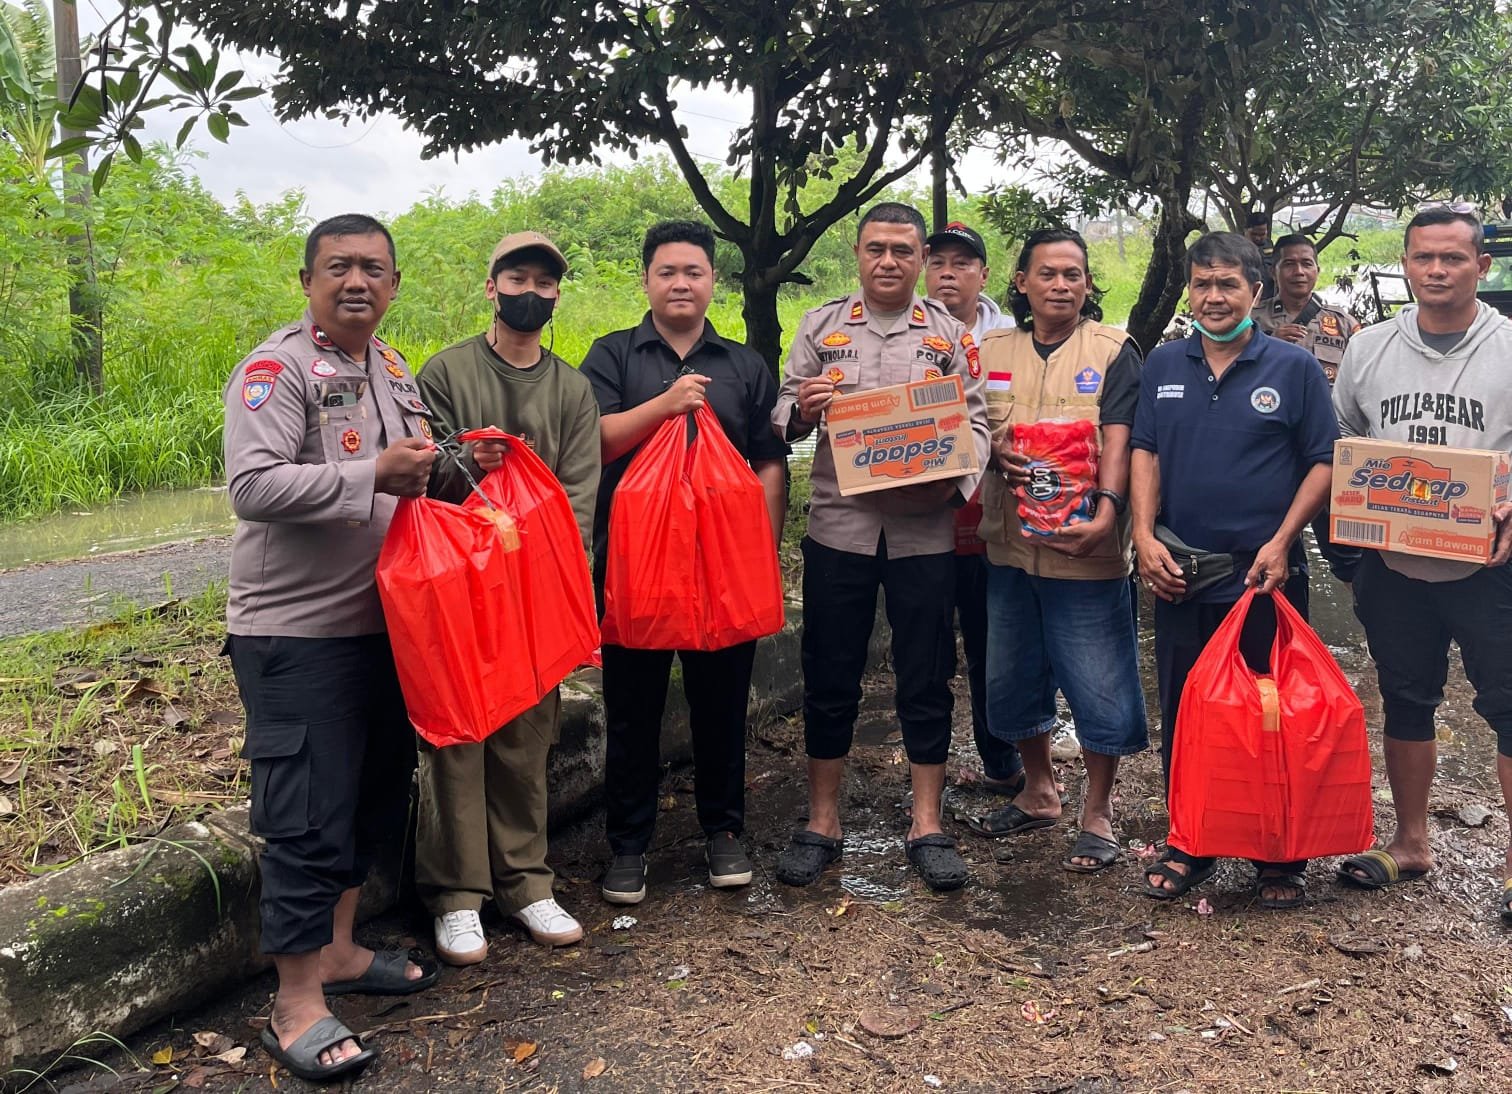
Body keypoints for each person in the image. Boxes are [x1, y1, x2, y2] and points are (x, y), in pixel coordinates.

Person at [223, 214, 439, 1083]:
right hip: (295, 632)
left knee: (370, 798)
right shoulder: (276, 370)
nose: (358, 282)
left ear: (393, 286)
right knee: (306, 816)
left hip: (385, 623)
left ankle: (344, 951)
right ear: (307, 279)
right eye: (340, 267)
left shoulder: (391, 367)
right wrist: (370, 476)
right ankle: (298, 1002)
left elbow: (415, 467)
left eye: (375, 270)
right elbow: (252, 485)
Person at [771, 201, 991, 892]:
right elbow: (783, 410)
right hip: (840, 527)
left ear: (923, 258)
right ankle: (822, 821)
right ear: (857, 252)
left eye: (903, 249)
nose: (889, 261)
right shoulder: (822, 326)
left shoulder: (951, 335)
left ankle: (927, 823)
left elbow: (978, 423)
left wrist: (951, 489)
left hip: (925, 532)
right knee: (830, 673)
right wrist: (800, 410)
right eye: (876, 248)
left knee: (925, 675)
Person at [581, 220, 789, 905]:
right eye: (667, 271)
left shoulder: (743, 364)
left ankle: (724, 832)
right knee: (633, 709)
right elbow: (596, 445)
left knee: (723, 706)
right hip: (636, 568)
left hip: (722, 570)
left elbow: (767, 460)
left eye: (693, 272)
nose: (680, 283)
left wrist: (758, 548)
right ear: (646, 280)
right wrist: (665, 407)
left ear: (712, 283)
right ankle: (629, 844)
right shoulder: (612, 357)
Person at [1131, 231, 1338, 909]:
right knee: (1191, 712)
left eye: (1228, 284)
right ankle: (1191, 841)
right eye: (1202, 284)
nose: (1213, 297)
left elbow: (1323, 461)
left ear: (1258, 290)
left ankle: (1278, 853)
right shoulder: (1163, 363)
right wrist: (1141, 535)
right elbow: (1146, 453)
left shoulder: (1293, 369)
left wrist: (1283, 542)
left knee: (1271, 713)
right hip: (1181, 575)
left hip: (1264, 578)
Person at [413, 231, 601, 961]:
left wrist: (560, 587)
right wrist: (467, 464)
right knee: (458, 734)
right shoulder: (445, 373)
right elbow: (422, 481)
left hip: (534, 588)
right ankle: (457, 895)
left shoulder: (571, 389)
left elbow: (579, 497)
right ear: (490, 287)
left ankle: (527, 881)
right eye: (517, 278)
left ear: (557, 296)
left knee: (527, 736)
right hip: (459, 588)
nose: (532, 292)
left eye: (545, 284)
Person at [1331, 206, 1512, 920]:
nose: (1436, 271)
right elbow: (1345, 431)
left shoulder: (1509, 345)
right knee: (1406, 699)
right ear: (1404, 263)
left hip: (1491, 563)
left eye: (1453, 259)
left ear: (1482, 266)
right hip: (1395, 564)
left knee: (1509, 708)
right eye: (1423, 258)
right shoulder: (1370, 346)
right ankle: (1409, 844)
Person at [965, 228, 1146, 873]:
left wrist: (1110, 512)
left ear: (1089, 284)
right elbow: (963, 428)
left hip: (1086, 549)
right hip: (1010, 548)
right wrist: (992, 451)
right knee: (1011, 677)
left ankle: (1098, 811)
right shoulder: (990, 350)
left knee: (1102, 683)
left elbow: (1123, 442)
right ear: (1022, 282)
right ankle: (1039, 791)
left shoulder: (1115, 349)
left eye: (1073, 274)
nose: (1061, 285)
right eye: (1048, 274)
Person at [923, 220, 1022, 793]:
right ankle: (928, 775)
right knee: (931, 650)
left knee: (995, 648)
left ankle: (1003, 762)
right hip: (927, 521)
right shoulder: (903, 334)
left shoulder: (1009, 340)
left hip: (995, 521)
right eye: (938, 262)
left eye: (962, 263)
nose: (948, 274)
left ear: (983, 275)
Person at [1253, 232, 1363, 582]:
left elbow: (1364, 384)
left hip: (1328, 452)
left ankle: (1366, 608)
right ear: (1274, 271)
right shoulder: (1252, 320)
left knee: (1347, 549)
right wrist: (1269, 343)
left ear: (1317, 269)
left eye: (1306, 263)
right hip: (1272, 449)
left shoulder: (1343, 323)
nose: (1298, 271)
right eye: (1289, 263)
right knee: (1270, 540)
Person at [1244, 211, 1277, 298]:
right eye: (1254, 234)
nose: (1258, 238)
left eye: (1262, 234)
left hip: (1270, 295)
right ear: (1246, 230)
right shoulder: (1237, 247)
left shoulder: (1269, 244)